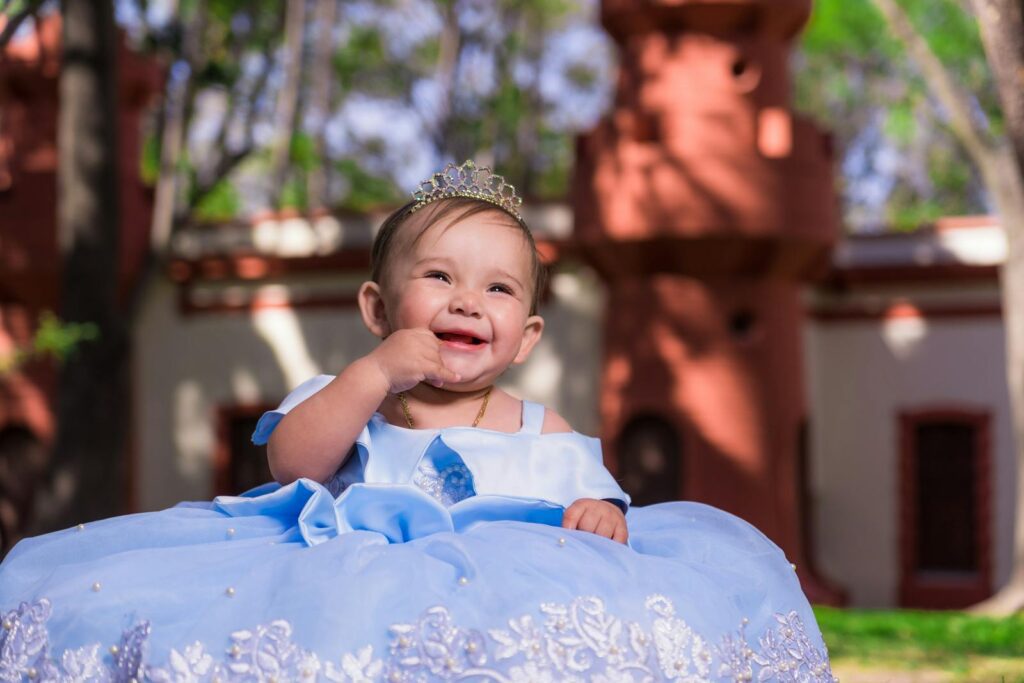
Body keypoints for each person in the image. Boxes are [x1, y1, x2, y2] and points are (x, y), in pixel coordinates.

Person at [0, 161, 835, 682]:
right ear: (378, 307)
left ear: (525, 336)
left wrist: (599, 512)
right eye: (439, 277)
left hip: (502, 599)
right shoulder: (344, 396)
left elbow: (604, 504)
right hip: (343, 587)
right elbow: (293, 464)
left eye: (498, 289)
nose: (467, 301)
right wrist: (373, 376)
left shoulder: (538, 427)